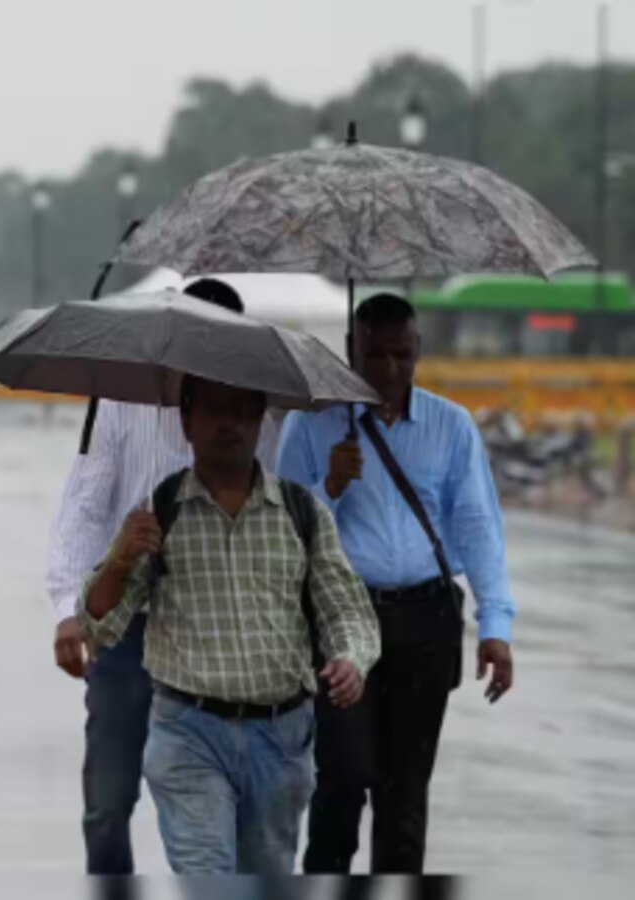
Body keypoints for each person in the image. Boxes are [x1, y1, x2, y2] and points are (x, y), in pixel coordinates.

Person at [79, 376, 380, 874]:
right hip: (188, 735)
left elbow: (345, 608)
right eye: (217, 410)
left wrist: (350, 658)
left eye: (244, 410)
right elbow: (100, 627)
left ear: (261, 419)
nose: (231, 423)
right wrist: (118, 558)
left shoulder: (303, 511)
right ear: (187, 422)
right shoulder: (160, 514)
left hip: (281, 739)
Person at [275, 293, 516, 877]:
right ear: (351, 351)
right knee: (342, 778)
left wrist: (495, 625)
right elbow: (279, 529)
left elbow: (478, 524)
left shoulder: (451, 426)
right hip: (341, 621)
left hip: (426, 618)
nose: (388, 370)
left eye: (401, 356)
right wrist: (328, 484)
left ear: (418, 352)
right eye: (375, 355)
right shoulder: (310, 424)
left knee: (405, 791)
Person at [47, 278, 278, 876]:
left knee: (225, 805)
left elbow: (285, 513)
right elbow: (83, 508)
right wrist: (66, 612)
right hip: (128, 633)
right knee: (108, 802)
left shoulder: (261, 414)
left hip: (223, 636)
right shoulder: (121, 403)